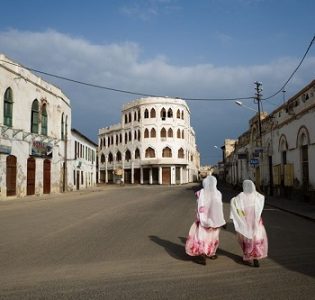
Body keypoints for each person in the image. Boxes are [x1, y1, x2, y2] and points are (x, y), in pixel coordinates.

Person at [185, 175, 226, 264]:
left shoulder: (201, 193)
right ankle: (210, 253)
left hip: (204, 220)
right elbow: (219, 208)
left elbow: (199, 206)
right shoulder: (218, 193)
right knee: (212, 237)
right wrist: (222, 221)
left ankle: (203, 254)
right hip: (214, 220)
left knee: (202, 238)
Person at [230, 179, 268, 267]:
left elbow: (235, 204)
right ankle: (256, 258)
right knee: (256, 239)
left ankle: (249, 256)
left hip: (246, 221)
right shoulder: (257, 196)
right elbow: (262, 198)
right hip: (256, 221)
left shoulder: (240, 196)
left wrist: (238, 217)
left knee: (247, 240)